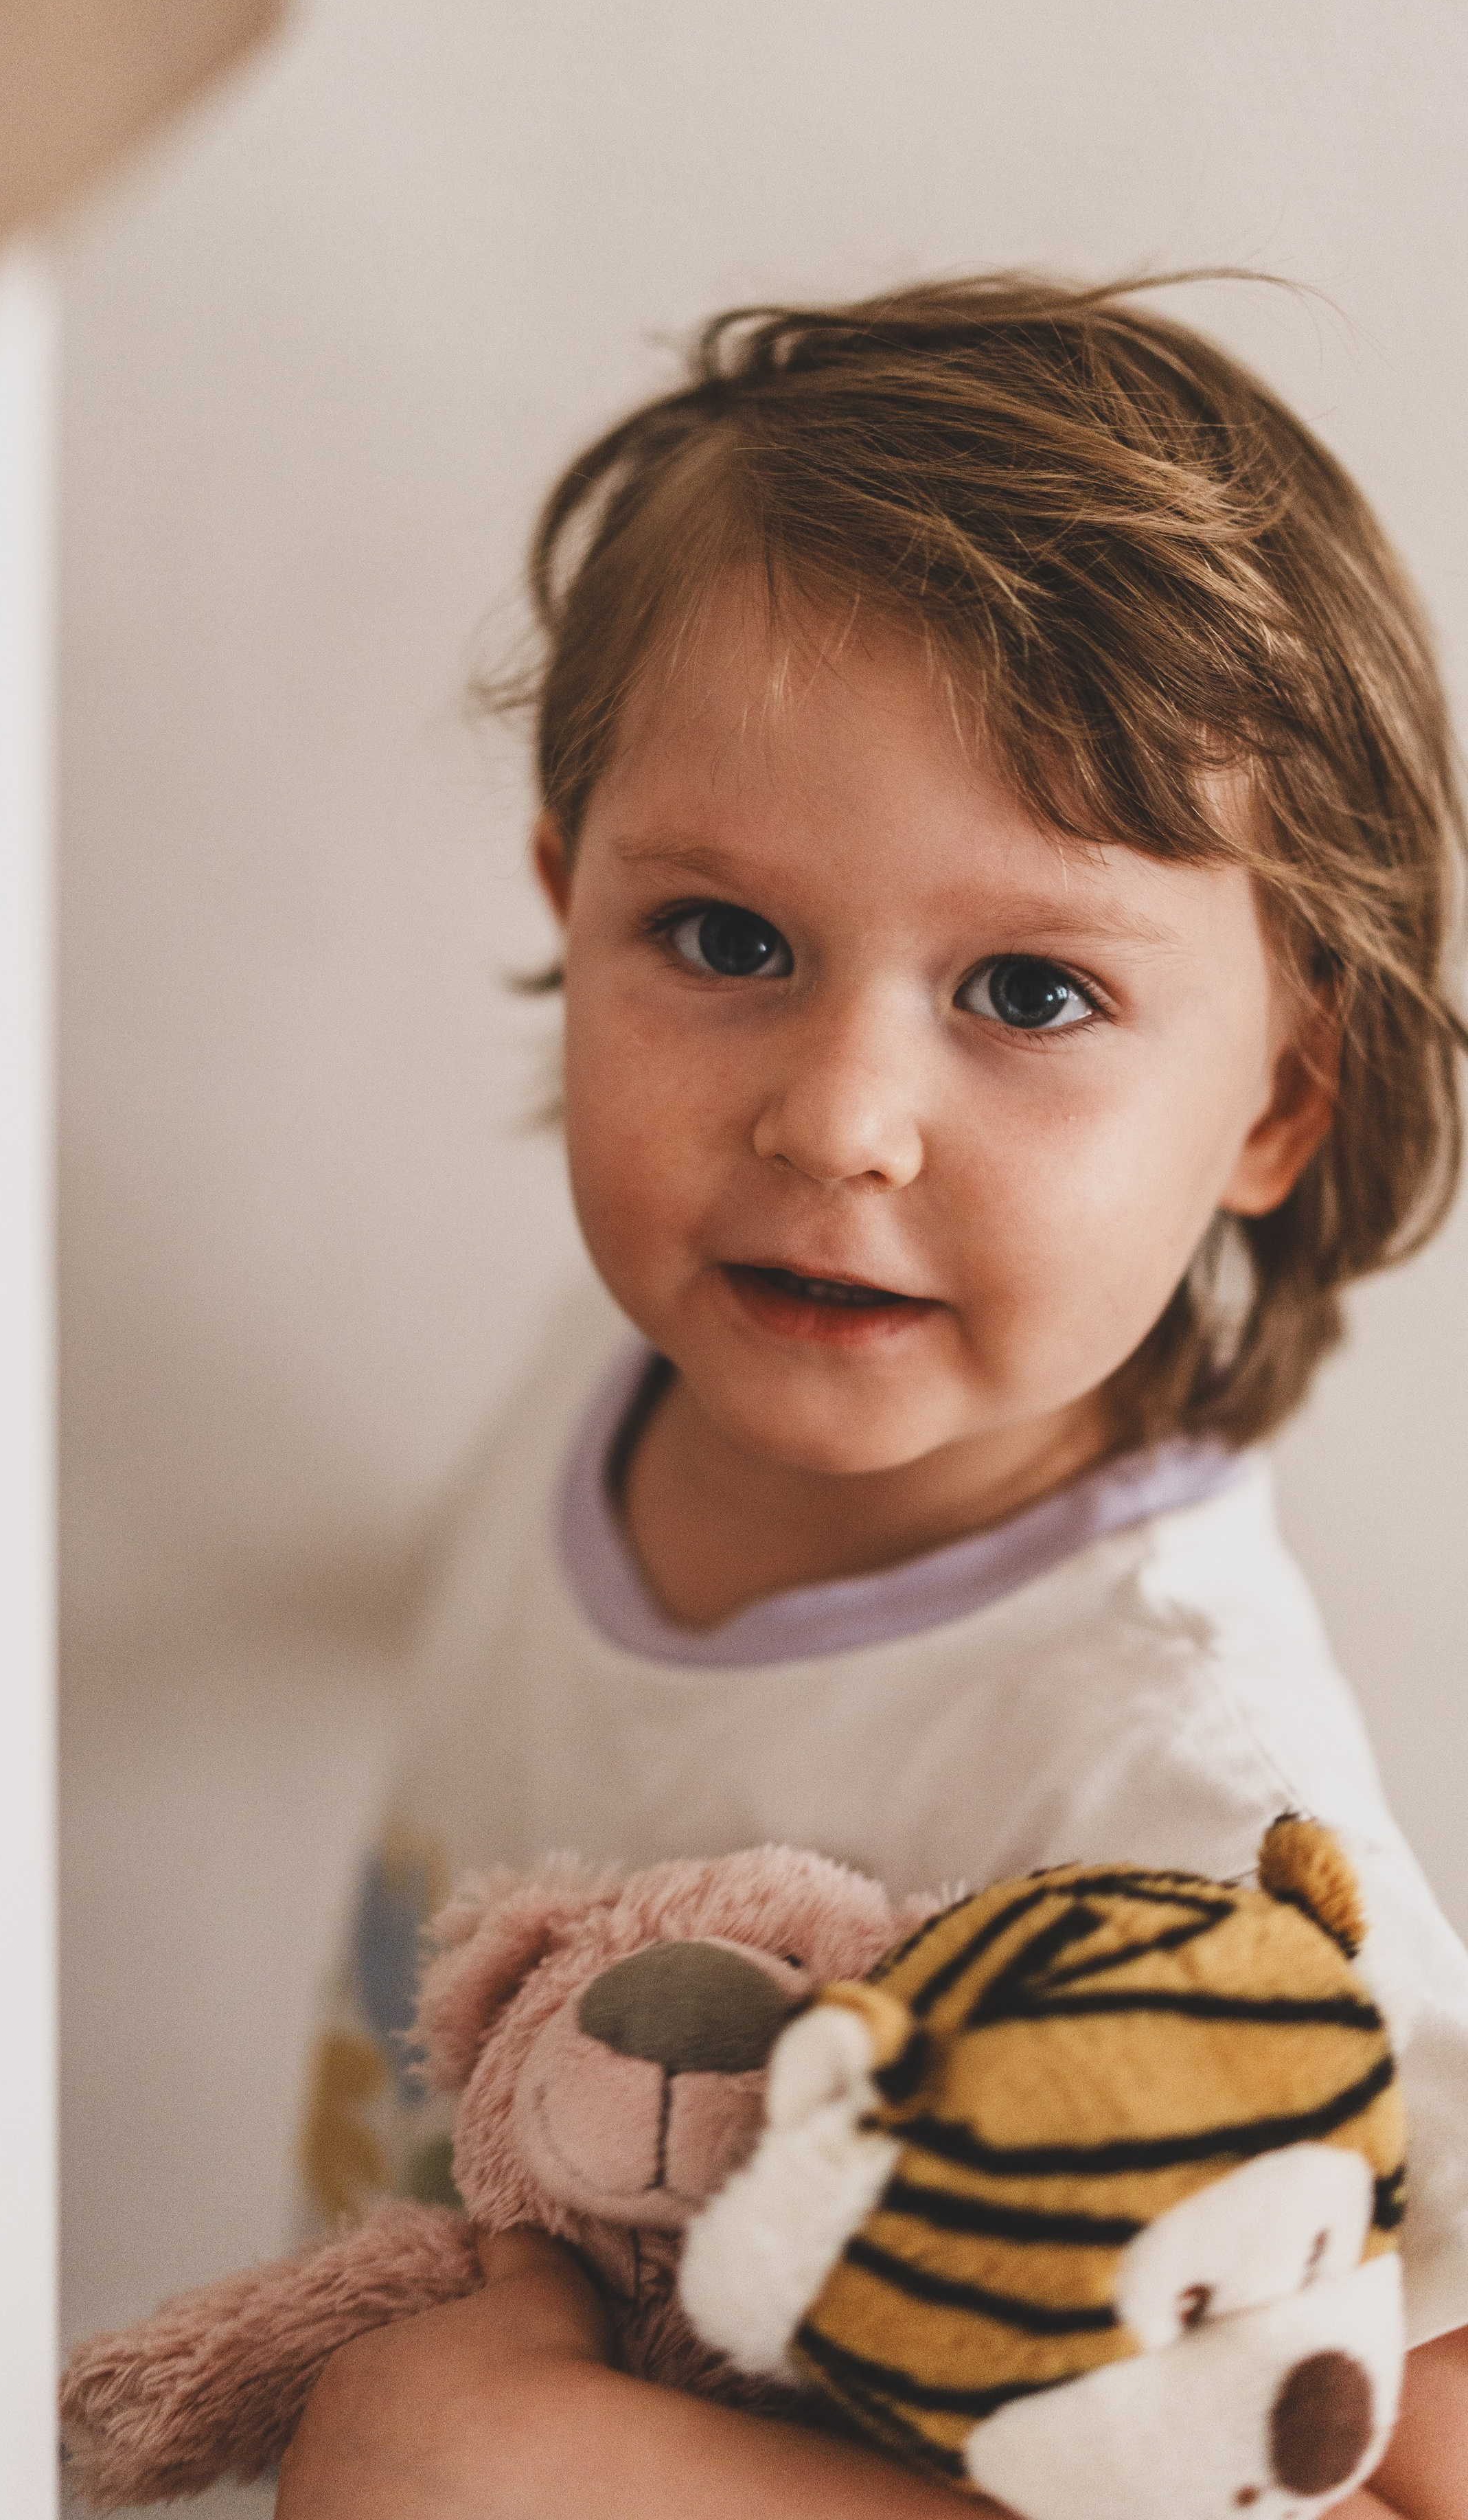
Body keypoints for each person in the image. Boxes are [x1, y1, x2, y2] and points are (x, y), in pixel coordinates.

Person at [281, 276, 1468, 2517]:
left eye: (1029, 987)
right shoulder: (622, 1354)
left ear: (1276, 1107)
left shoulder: (1181, 1789)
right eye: (724, 941)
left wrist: (536, 2473)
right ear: (572, 897)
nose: (836, 1119)